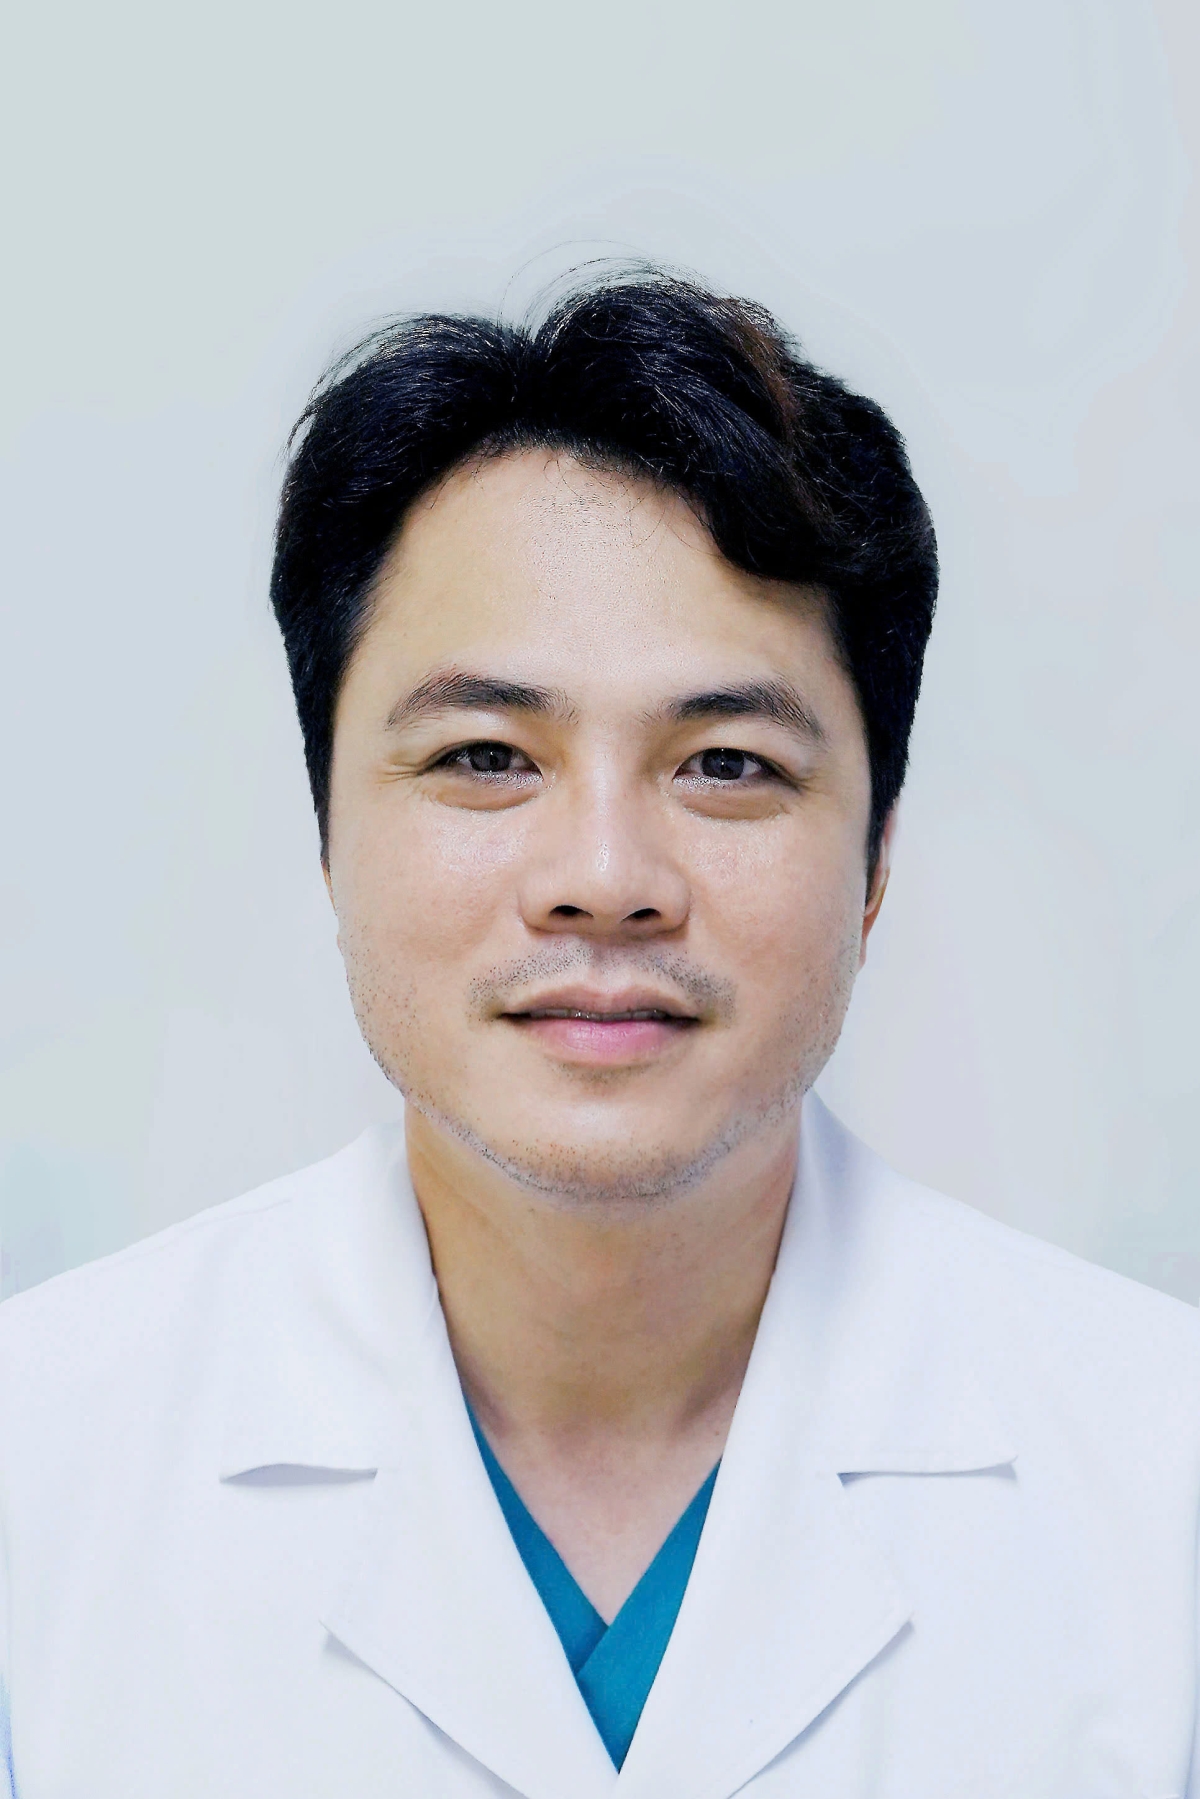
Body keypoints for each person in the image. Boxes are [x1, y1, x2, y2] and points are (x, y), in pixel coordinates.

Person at [1, 272, 1197, 1799]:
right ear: (328, 829)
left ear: (878, 856)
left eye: (727, 764)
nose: (606, 879)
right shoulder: (41, 1471)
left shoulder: (1161, 1484)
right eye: (486, 755)